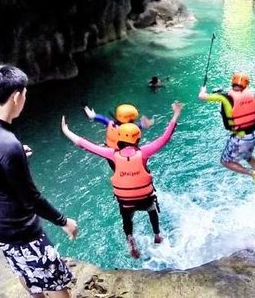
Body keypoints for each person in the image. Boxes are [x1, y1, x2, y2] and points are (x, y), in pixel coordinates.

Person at [0, 65, 78, 298]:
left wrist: (17, 158)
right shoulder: (8, 144)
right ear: (16, 96)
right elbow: (31, 198)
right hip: (21, 227)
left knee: (23, 270)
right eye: (25, 95)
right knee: (57, 281)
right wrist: (63, 221)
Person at [62, 101, 182, 259]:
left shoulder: (111, 154)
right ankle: (157, 235)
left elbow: (85, 144)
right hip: (145, 199)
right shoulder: (144, 152)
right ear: (137, 137)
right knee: (152, 210)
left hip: (126, 202)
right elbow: (165, 137)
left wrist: (66, 130)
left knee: (127, 219)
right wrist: (176, 114)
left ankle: (130, 239)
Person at [83, 103, 154, 150]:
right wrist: (148, 123)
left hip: (109, 152)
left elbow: (103, 119)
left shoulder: (111, 124)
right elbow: (143, 124)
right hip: (123, 155)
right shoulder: (132, 128)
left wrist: (94, 116)